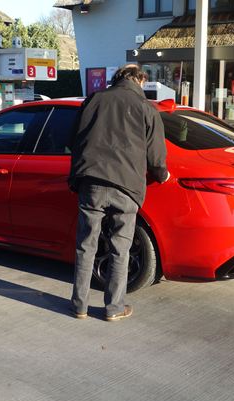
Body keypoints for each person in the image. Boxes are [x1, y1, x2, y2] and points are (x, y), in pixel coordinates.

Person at [68, 64, 170, 321]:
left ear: (116, 79)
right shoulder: (147, 109)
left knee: (85, 245)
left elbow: (72, 140)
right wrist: (163, 176)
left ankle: (79, 305)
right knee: (119, 248)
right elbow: (157, 158)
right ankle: (114, 308)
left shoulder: (94, 100)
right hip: (126, 186)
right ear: (140, 80)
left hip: (91, 182)